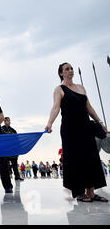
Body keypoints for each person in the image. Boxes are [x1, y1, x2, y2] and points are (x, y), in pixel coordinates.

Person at [45, 62, 108, 202]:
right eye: (67, 69)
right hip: (70, 128)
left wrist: (100, 122)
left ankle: (91, 192)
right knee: (76, 158)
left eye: (71, 68)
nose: (70, 70)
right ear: (61, 73)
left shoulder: (81, 87)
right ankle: (79, 193)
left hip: (85, 127)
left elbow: (89, 107)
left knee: (91, 157)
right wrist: (49, 123)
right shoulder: (59, 89)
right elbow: (55, 108)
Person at [1, 117, 24, 181]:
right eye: (7, 121)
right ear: (4, 121)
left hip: (13, 151)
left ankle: (17, 177)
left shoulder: (13, 130)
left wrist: (19, 147)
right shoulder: (2, 129)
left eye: (9, 121)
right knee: (6, 165)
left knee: (15, 164)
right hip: (6, 150)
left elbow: (17, 139)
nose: (9, 122)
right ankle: (7, 177)